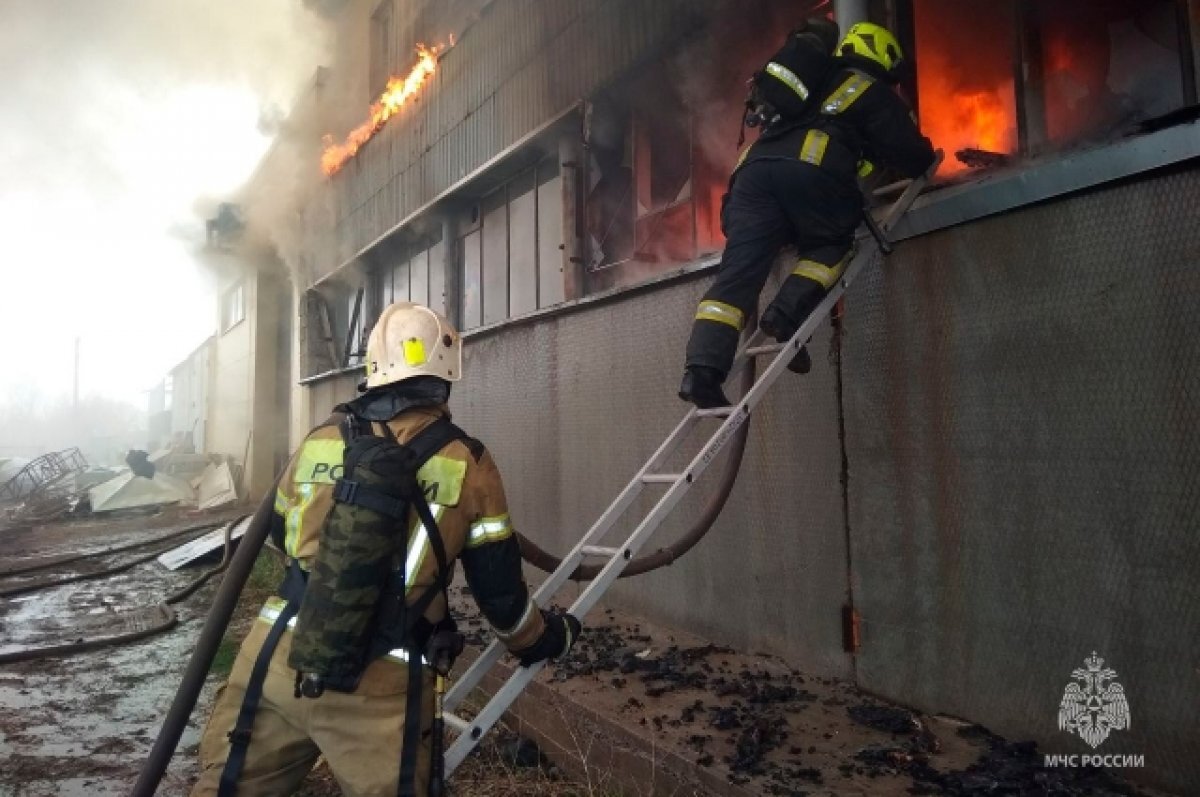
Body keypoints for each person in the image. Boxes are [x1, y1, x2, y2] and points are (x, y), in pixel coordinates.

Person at [191, 302, 582, 797]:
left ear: (373, 369)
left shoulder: (319, 440)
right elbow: (500, 596)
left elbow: (277, 534)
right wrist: (543, 639)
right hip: (381, 686)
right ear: (445, 375)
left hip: (275, 660)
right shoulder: (467, 460)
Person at [680, 20, 936, 408]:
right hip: (809, 167)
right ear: (882, 58)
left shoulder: (809, 82)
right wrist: (921, 156)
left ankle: (701, 372)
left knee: (737, 277)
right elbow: (912, 154)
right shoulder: (865, 87)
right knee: (831, 244)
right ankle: (784, 315)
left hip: (750, 176)